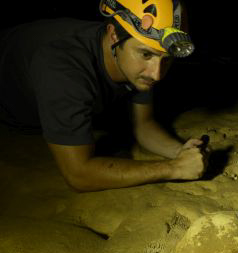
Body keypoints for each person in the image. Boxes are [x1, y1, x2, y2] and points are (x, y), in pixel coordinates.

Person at [0, 0, 207, 192]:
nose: (156, 74)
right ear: (114, 35)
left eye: (166, 60)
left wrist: (181, 152)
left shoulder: (136, 61)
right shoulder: (64, 67)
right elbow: (78, 175)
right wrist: (174, 168)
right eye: (146, 54)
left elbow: (143, 125)